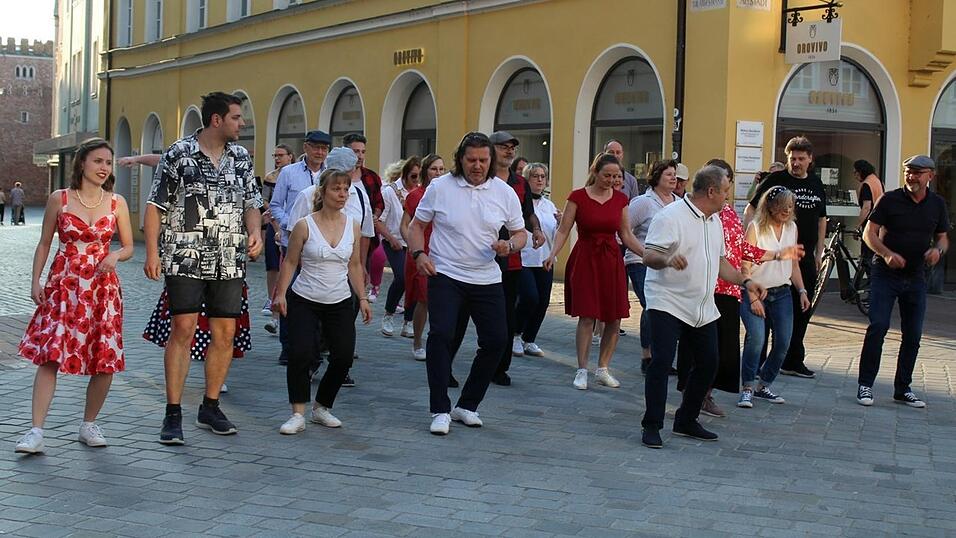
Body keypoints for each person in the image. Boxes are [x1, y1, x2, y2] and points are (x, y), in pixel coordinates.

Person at [145, 92, 263, 445]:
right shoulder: (179, 154)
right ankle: (173, 412)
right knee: (182, 328)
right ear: (217, 120)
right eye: (236, 117)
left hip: (229, 259)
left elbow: (252, 202)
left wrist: (255, 231)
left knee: (224, 334)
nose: (241, 123)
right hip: (185, 256)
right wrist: (151, 253)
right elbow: (155, 206)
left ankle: (210, 406)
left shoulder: (241, 158)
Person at [15, 138, 134, 454]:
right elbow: (44, 243)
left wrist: (116, 255)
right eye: (98, 161)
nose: (104, 168)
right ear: (82, 163)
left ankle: (88, 423)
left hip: (102, 288)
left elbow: (129, 246)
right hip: (64, 285)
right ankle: (36, 431)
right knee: (51, 354)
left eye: (108, 163)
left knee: (104, 358)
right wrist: (35, 281)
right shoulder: (61, 198)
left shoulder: (116, 202)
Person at [407, 132, 527, 435]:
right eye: (471, 160)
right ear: (460, 159)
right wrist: (419, 254)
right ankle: (440, 408)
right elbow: (416, 226)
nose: (477, 166)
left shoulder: (504, 192)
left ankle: (467, 405)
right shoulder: (440, 187)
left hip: (486, 276)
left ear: (492, 160)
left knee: (497, 341)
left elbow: (520, 233)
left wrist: (509, 246)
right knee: (442, 335)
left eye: (483, 160)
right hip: (446, 273)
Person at [640, 165, 766, 449]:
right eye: (725, 192)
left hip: (701, 304)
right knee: (661, 362)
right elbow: (649, 255)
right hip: (667, 301)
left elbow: (721, 263)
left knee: (710, 362)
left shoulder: (715, 220)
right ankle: (652, 424)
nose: (727, 197)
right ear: (711, 191)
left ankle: (686, 419)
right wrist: (668, 259)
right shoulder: (670, 217)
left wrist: (746, 281)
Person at [676, 158, 803, 418]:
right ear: (710, 187)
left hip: (730, 288)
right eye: (724, 185)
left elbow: (740, 250)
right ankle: (692, 398)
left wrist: (778, 255)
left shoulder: (730, 214)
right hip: (705, 286)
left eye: (729, 184)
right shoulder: (693, 213)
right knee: (699, 348)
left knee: (722, 350)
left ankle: (704, 395)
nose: (727, 191)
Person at [273, 169, 372, 434]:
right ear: (323, 192)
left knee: (342, 357)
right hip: (305, 298)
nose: (341, 195)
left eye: (345, 190)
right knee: (301, 353)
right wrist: (280, 293)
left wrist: (362, 297)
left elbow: (354, 264)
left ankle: (322, 407)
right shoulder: (305, 224)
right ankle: (297, 413)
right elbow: (291, 261)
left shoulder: (352, 224)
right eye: (336, 189)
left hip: (339, 299)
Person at [856, 155, 950, 408]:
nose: (911, 177)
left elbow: (942, 238)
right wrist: (886, 254)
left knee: (913, 335)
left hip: (916, 276)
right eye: (908, 171)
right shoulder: (890, 199)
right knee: (878, 326)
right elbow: (869, 233)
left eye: (917, 172)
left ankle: (903, 388)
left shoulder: (937, 204)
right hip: (885, 275)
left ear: (930, 176)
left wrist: (937, 252)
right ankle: (865, 385)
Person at [544, 153, 643, 390]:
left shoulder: (620, 200)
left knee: (613, 316)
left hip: (611, 260)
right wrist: (552, 253)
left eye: (615, 176)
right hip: (586, 258)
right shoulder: (577, 197)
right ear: (595, 172)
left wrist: (645, 253)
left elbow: (626, 234)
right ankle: (581, 369)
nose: (611, 180)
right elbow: (563, 230)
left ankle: (603, 368)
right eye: (606, 175)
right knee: (587, 315)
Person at [288, 147, 373, 388]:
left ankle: (337, 362)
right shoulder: (308, 195)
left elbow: (365, 232)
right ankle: (311, 359)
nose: (344, 188)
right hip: (314, 269)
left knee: (345, 321)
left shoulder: (358, 195)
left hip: (347, 267)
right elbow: (294, 235)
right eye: (342, 174)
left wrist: (362, 266)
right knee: (312, 324)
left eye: (350, 173)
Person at [745, 136, 826, 379]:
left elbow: (822, 219)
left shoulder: (816, 183)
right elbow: (751, 209)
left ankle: (793, 359)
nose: (797, 163)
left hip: (803, 256)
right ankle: (758, 362)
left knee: (802, 310)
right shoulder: (776, 181)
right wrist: (752, 242)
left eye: (802, 158)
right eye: (793, 158)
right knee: (767, 312)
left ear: (810, 159)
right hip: (772, 256)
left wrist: (819, 253)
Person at [738, 187, 810, 408]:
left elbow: (793, 263)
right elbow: (745, 264)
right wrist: (752, 297)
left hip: (782, 292)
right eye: (782, 206)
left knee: (784, 342)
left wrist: (802, 290)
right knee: (757, 338)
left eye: (790, 206)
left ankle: (764, 384)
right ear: (770, 206)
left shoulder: (792, 228)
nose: (787, 210)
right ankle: (748, 387)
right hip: (756, 290)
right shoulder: (756, 228)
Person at [488, 131, 545, 386]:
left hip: (511, 258)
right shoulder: (482, 178)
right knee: (477, 314)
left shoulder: (519, 183)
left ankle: (500, 367)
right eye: (503, 147)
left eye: (512, 147)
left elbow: (528, 213)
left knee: (507, 313)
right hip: (481, 256)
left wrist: (536, 230)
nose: (509, 151)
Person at [270, 130, 330, 365]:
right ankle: (287, 345)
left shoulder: (330, 174)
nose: (319, 152)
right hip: (293, 243)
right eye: (315, 147)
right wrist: (291, 224)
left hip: (321, 246)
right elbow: (276, 205)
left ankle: (315, 346)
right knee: (290, 293)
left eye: (324, 148)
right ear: (305, 147)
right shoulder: (289, 172)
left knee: (318, 297)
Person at [625, 160, 680, 374]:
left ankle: (662, 356)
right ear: (656, 177)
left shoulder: (678, 202)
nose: (673, 178)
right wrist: (643, 251)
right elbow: (624, 229)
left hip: (667, 264)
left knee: (664, 309)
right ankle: (647, 355)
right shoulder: (643, 203)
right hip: (640, 261)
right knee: (651, 305)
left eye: (675, 174)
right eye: (668, 174)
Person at [401, 154, 444, 362]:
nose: (437, 173)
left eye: (441, 169)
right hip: (422, 250)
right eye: (434, 169)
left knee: (440, 300)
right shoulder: (416, 195)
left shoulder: (447, 194)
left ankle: (438, 339)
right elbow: (405, 224)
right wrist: (413, 248)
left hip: (443, 251)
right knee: (424, 298)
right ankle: (418, 341)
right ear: (426, 171)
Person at [514, 163, 559, 357]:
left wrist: (560, 223)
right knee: (529, 297)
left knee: (542, 302)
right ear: (526, 180)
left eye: (542, 176)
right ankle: (515, 334)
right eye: (535, 176)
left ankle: (529, 339)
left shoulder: (550, 206)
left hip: (544, 259)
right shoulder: (519, 203)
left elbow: (555, 235)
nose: (540, 180)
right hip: (524, 258)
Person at [380, 156, 421, 338]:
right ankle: (388, 314)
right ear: (405, 174)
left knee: (415, 281)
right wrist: (390, 238)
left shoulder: (422, 193)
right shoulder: (389, 192)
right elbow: (378, 220)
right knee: (402, 277)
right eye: (413, 176)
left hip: (414, 243)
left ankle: (408, 321)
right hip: (394, 242)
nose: (416, 181)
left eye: (420, 176)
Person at [262, 144, 296, 333]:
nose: (277, 158)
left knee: (286, 267)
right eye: (275, 155)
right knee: (273, 265)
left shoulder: (296, 174)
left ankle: (279, 311)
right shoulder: (271, 177)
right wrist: (275, 224)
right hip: (274, 220)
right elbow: (266, 200)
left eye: (281, 155)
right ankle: (270, 298)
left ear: (290, 156)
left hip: (289, 227)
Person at [853, 159, 884, 269]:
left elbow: (866, 207)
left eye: (855, 172)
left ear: (861, 171)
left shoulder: (866, 184)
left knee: (866, 256)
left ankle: (870, 281)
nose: (855, 176)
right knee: (872, 254)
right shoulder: (877, 181)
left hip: (870, 224)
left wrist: (857, 225)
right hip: (879, 223)